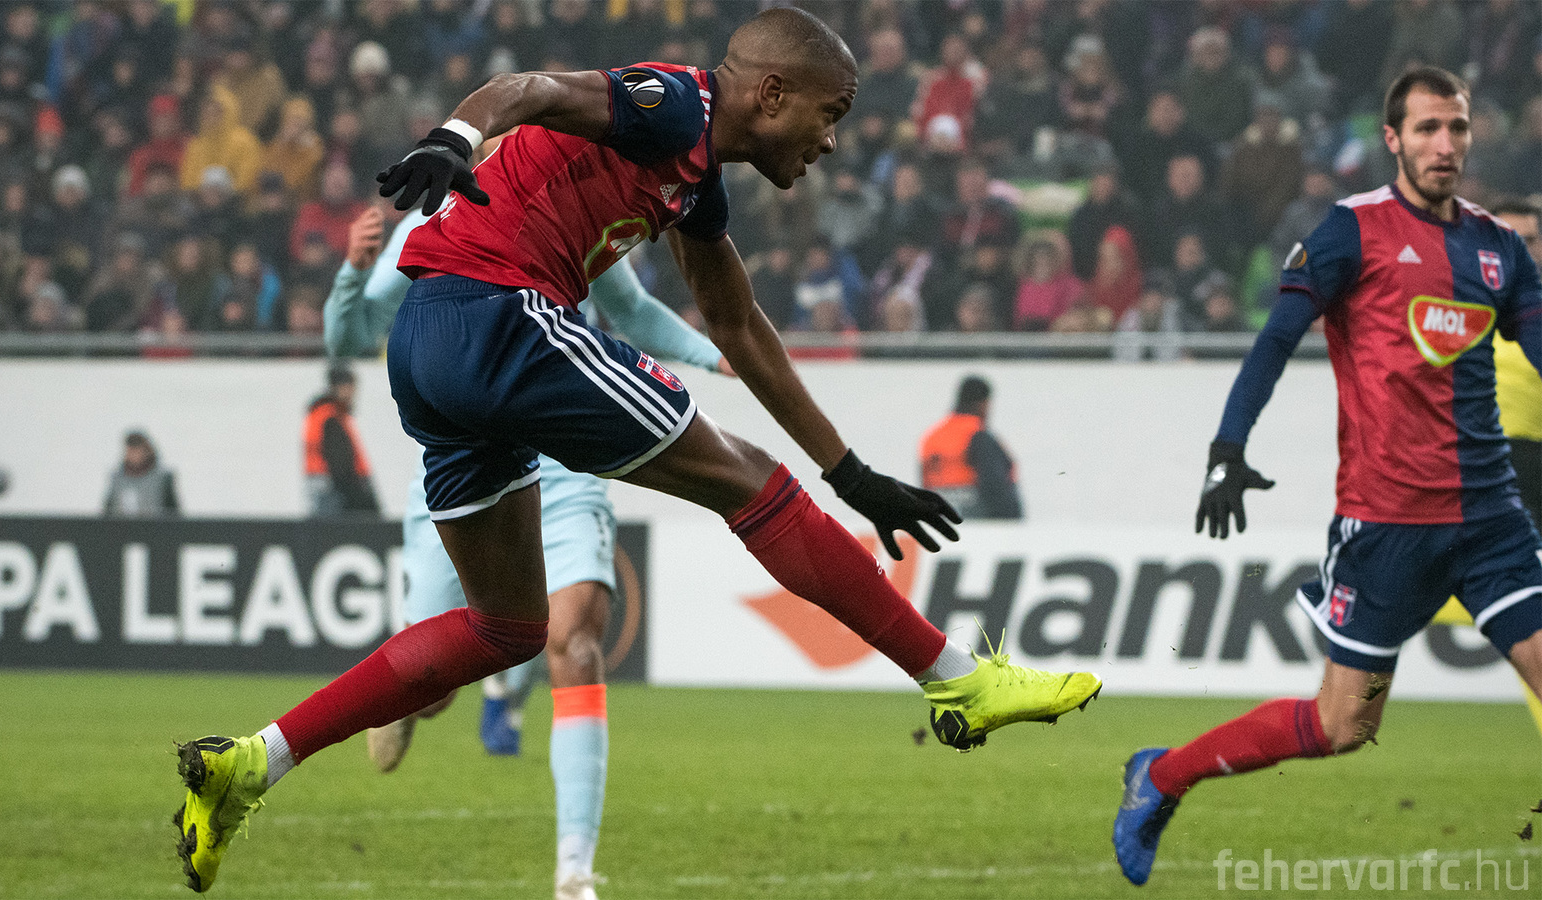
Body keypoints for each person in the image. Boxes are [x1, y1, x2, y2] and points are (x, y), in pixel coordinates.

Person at [174, 10, 1101, 894]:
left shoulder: (695, 181)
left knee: (507, 629)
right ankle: (956, 681)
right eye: (831, 114)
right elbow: (532, 88)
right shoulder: (674, 102)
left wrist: (851, 474)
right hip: (500, 311)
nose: (830, 142)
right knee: (752, 487)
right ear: (772, 94)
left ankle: (254, 762)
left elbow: (739, 326)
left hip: (429, 346)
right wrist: (456, 136)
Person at [1112, 67, 1542, 887]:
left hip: (1491, 521)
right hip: (1387, 527)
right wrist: (1228, 447)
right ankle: (1161, 776)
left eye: (1456, 128)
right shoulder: (1352, 231)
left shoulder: (1498, 248)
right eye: (1426, 129)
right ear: (1392, 139)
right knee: (1344, 725)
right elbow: (1277, 339)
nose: (1444, 144)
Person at [325, 201, 730, 900]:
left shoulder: (579, 212)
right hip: (465, 465)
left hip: (568, 463)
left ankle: (574, 872)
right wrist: (352, 274)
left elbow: (632, 310)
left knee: (574, 644)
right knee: (434, 688)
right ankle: (409, 703)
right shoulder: (430, 226)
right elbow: (351, 336)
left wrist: (718, 352)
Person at [1490, 198, 1542, 527]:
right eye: (1509, 239)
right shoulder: (1460, 300)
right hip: (1484, 452)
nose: (1521, 250)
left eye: (1530, 240)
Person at [919, 376, 1024, 521]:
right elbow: (994, 485)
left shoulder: (931, 437)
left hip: (940, 517)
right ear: (984, 403)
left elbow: (924, 485)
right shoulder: (977, 435)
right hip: (978, 521)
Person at [303, 364, 380, 518]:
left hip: (325, 488)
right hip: (334, 493)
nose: (352, 392)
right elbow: (341, 465)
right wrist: (363, 500)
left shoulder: (322, 414)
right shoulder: (331, 418)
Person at [102, 430, 179, 517]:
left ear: (145, 451)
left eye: (137, 451)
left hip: (153, 524)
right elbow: (107, 511)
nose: (133, 456)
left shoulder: (163, 478)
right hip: (121, 525)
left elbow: (173, 513)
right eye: (130, 451)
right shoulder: (117, 479)